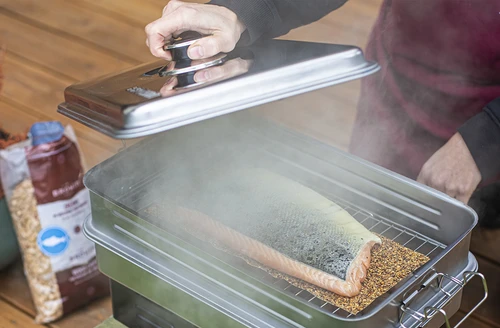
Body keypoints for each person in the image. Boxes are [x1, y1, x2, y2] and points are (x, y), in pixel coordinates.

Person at [145, 0, 500, 221]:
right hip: (397, 79)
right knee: (377, 211)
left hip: (490, 107)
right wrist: (240, 12)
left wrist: (485, 140)